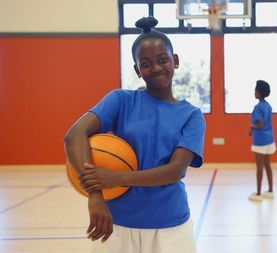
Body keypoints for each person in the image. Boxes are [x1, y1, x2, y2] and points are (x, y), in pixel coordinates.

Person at [63, 16, 205, 253]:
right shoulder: (120, 100)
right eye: (146, 63)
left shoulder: (192, 115)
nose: (156, 67)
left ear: (175, 61)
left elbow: (175, 170)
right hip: (116, 222)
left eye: (163, 60)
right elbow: (74, 135)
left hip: (170, 226)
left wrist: (117, 178)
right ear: (137, 70)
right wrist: (95, 195)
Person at [248, 80, 275, 202]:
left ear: (259, 92)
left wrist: (251, 127)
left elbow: (259, 124)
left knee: (259, 167)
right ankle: (270, 191)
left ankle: (258, 193)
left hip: (260, 140)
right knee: (267, 165)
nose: (254, 92)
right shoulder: (268, 106)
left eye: (255, 90)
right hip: (270, 139)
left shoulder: (258, 107)